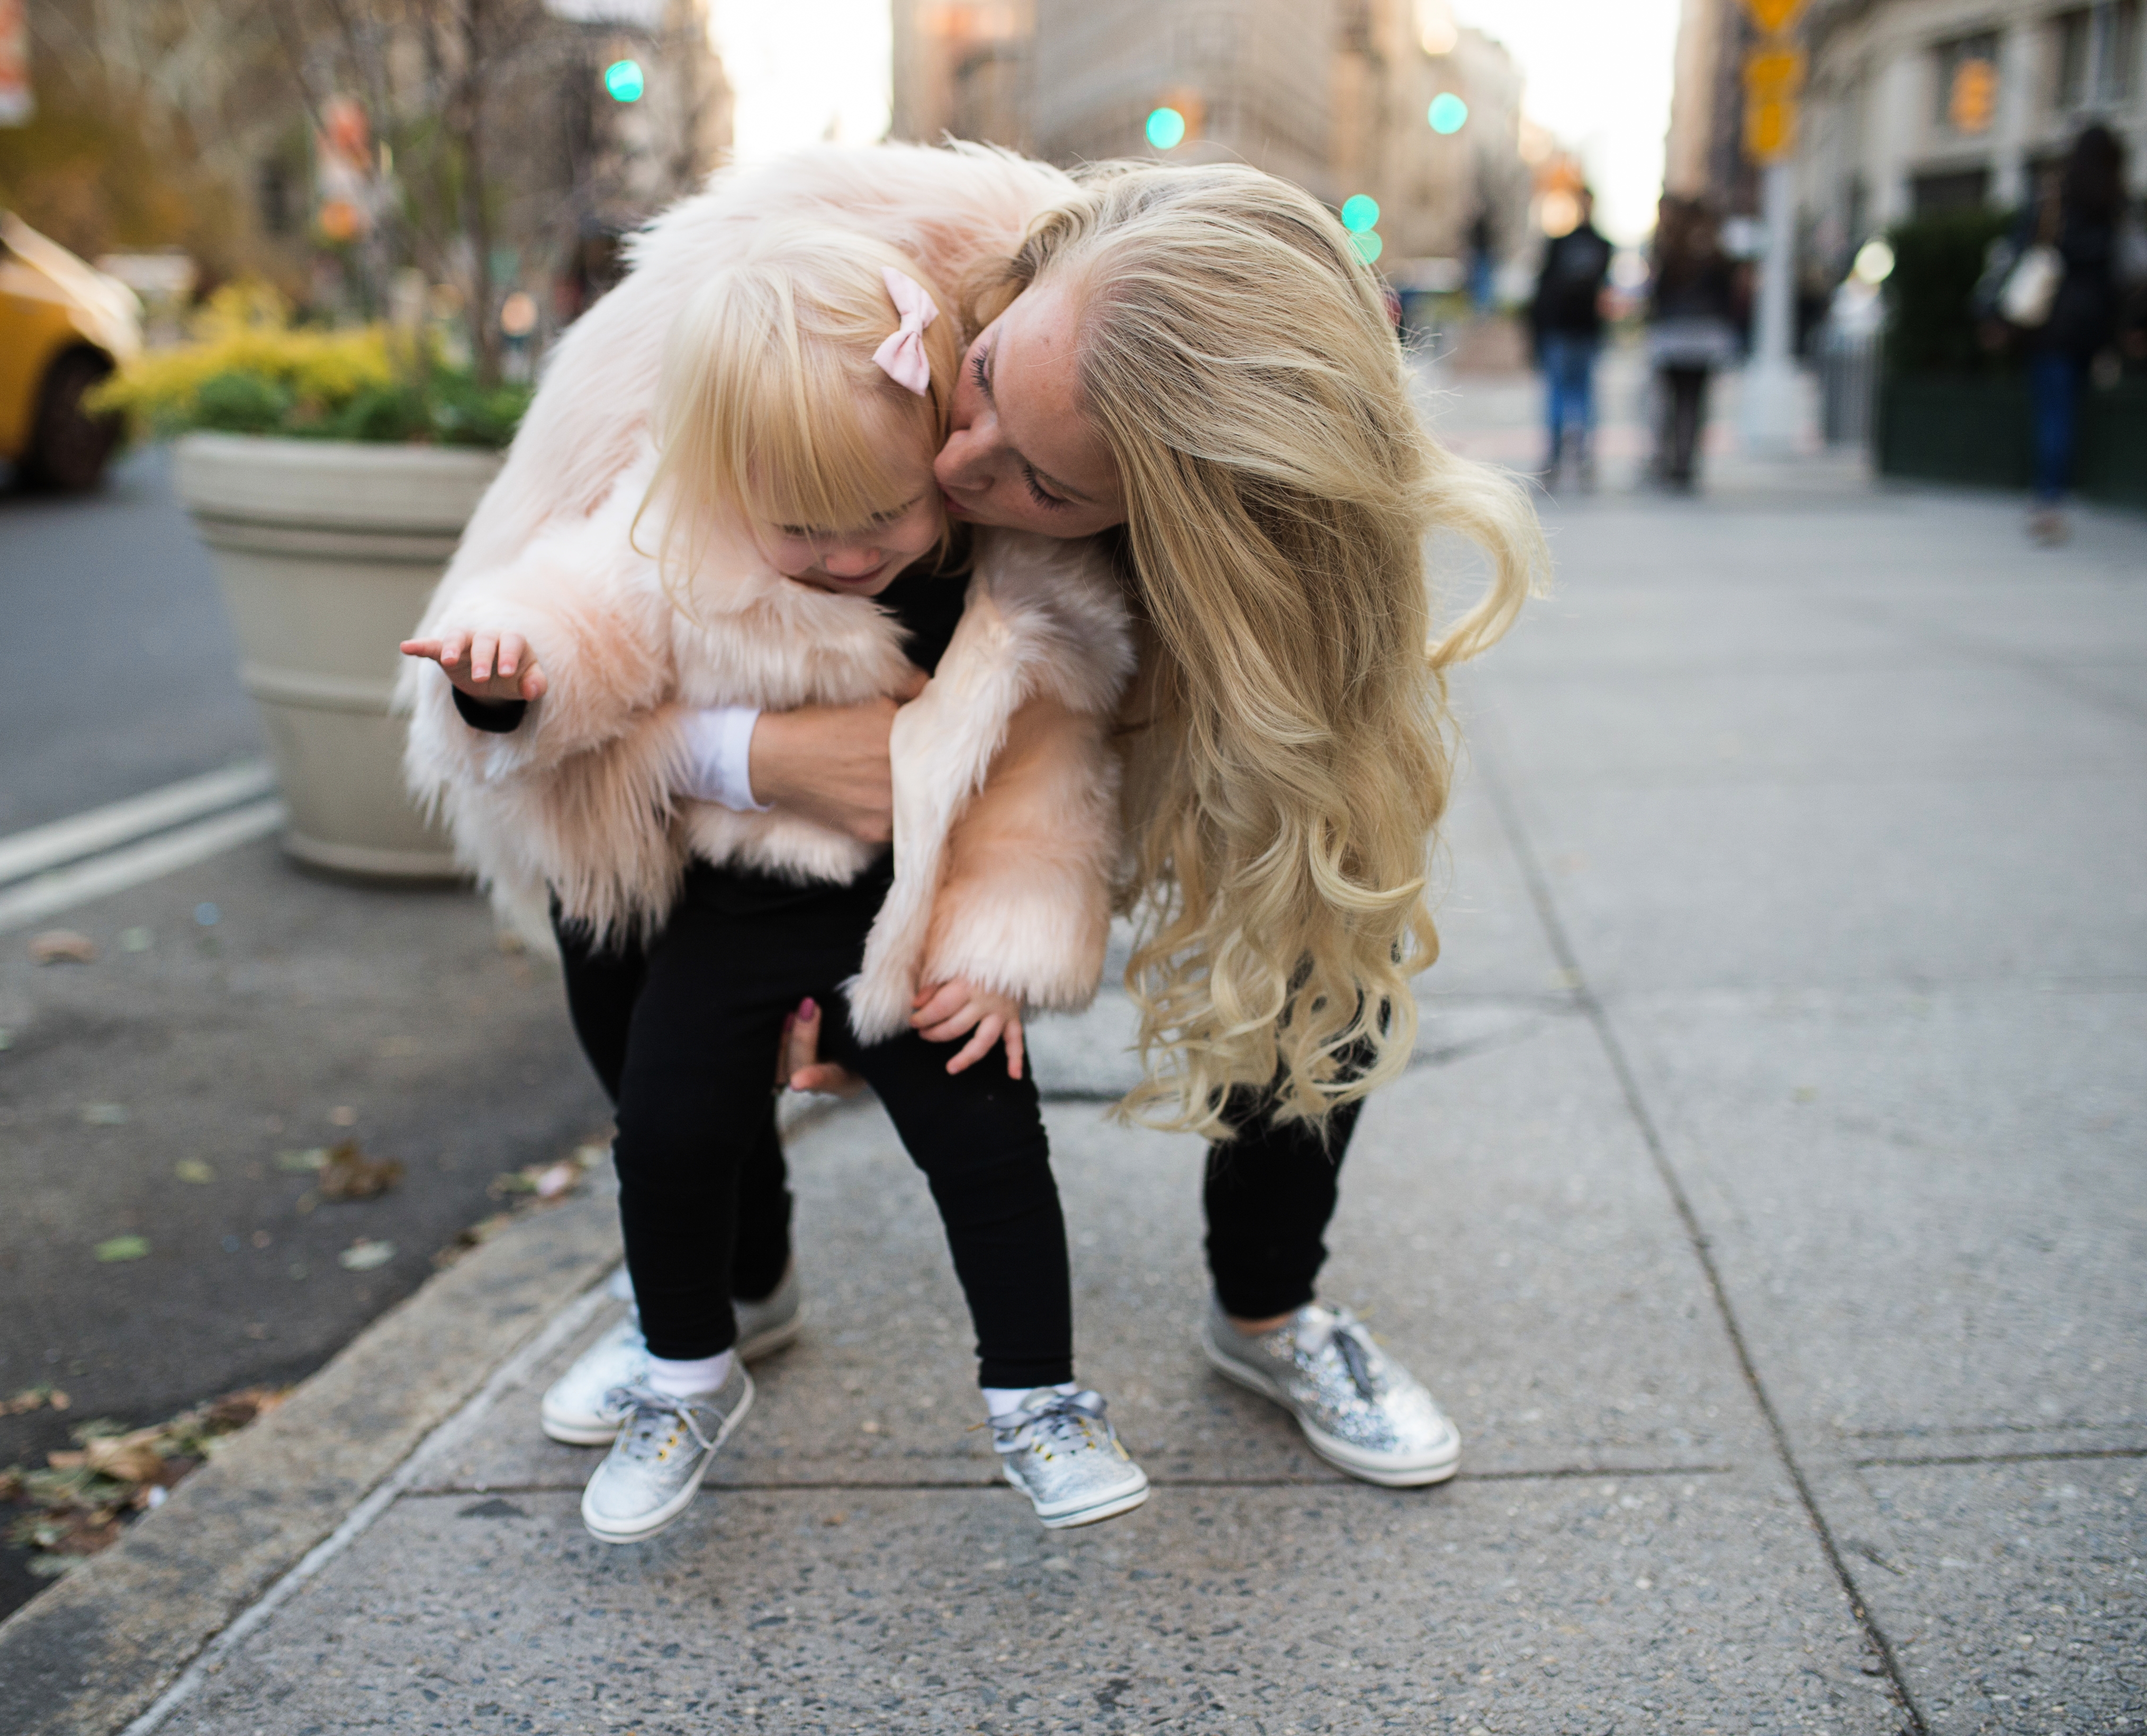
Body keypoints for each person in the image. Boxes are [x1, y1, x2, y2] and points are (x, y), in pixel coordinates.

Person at [413, 143, 1544, 1496]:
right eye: (989, 375)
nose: (957, 458)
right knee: (617, 926)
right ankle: (736, 1278)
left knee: (1321, 909)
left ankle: (1270, 1311)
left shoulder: (1263, 523)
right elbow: (563, 683)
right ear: (1021, 281)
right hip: (734, 741)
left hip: (1083, 683)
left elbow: (1259, 823)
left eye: (1046, 485)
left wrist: (993, 929)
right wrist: (751, 757)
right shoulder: (788, 335)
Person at [402, 224, 1150, 1543]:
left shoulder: (1012, 587)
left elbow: (1047, 779)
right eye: (800, 531)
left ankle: (1039, 1393)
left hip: (915, 913)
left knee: (989, 1145)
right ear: (726, 485)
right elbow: (581, 621)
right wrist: (503, 668)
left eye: (884, 520)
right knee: (672, 1129)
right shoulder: (677, 535)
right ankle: (685, 1371)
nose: (851, 560)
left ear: (939, 452)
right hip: (733, 908)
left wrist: (1004, 947)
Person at [2000, 125, 2140, 546]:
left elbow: (2018, 251)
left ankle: (2049, 499)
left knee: (2053, 414)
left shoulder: (2054, 199)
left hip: (2051, 321)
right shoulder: (2117, 203)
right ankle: (2056, 493)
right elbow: (2130, 269)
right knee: (2071, 412)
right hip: (2095, 325)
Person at [1644, 195, 1742, 492]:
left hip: (1673, 335)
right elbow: (1730, 294)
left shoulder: (1669, 247)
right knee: (1694, 402)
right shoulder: (1716, 251)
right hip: (1705, 336)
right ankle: (1686, 463)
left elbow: (1657, 293)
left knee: (1669, 401)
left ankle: (1668, 460)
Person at [1529, 189, 1613, 491]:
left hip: (1573, 329)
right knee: (1574, 396)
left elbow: (1542, 288)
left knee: (1567, 395)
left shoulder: (1573, 244)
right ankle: (1572, 456)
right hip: (1572, 329)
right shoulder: (1596, 245)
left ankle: (1567, 457)